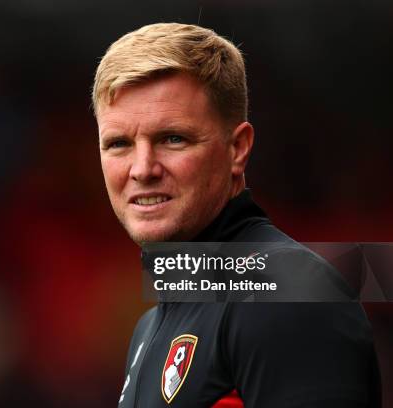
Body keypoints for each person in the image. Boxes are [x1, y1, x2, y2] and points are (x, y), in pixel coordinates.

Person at [92, 23, 381, 407]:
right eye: (119, 144)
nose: (143, 168)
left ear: (238, 148)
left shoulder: (287, 294)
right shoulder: (153, 323)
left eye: (173, 138)